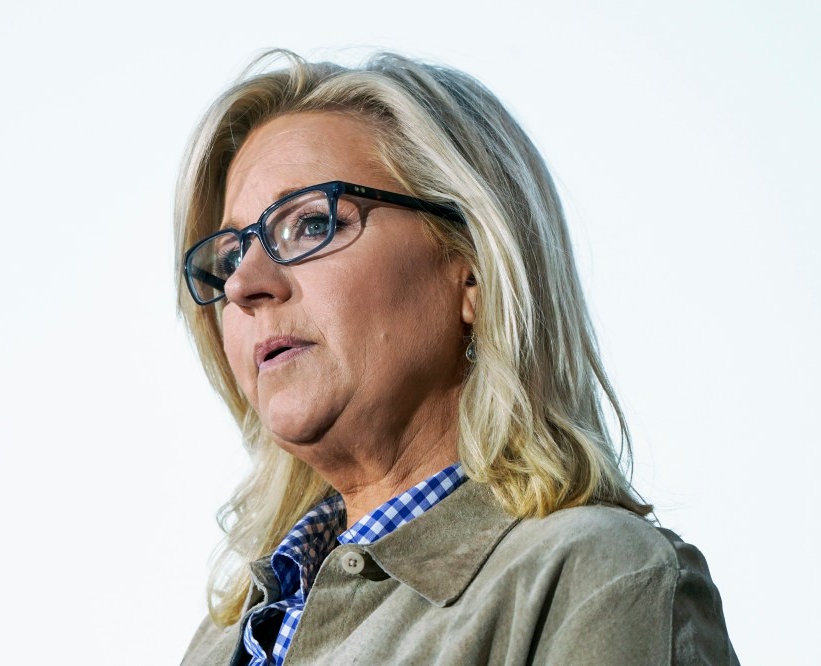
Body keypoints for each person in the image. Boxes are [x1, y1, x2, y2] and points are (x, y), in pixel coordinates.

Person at [175, 50, 738, 665]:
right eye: (228, 257)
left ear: (472, 268)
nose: (242, 284)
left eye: (310, 224)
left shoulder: (595, 576)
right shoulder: (220, 640)